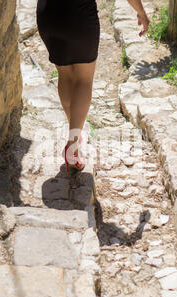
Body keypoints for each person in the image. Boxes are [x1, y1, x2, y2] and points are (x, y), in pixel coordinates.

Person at [36, 0, 150, 172]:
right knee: (83, 79)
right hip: (79, 16)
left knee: (65, 74)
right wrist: (141, 11)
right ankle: (73, 144)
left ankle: (75, 133)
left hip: (48, 15)